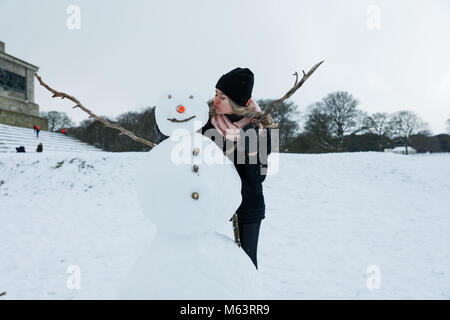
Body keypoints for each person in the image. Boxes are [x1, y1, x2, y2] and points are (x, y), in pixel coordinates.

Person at [201, 67, 276, 269]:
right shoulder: (206, 122)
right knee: (202, 257)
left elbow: (256, 178)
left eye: (223, 97)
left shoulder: (263, 128)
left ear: (236, 102)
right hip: (211, 201)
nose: (216, 100)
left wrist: (250, 144)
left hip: (248, 204)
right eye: (216, 93)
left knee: (246, 264)